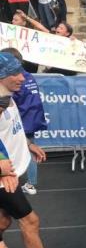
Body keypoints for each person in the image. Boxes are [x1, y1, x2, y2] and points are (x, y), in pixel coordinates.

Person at [0, 53, 81, 248]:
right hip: (5, 179)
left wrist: (27, 144)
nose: (21, 78)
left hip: (12, 172)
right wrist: (2, 169)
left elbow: (10, 129)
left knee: (3, 221)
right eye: (15, 73)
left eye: (21, 72)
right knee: (30, 220)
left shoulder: (7, 96)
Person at [2, 48, 46, 195]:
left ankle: (28, 183)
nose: (20, 78)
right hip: (31, 117)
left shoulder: (13, 86)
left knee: (25, 150)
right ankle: (29, 182)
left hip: (23, 119)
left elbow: (13, 100)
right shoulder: (28, 76)